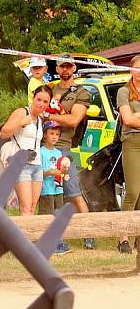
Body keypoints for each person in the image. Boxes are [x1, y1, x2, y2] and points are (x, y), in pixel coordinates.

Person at [51, 54, 95, 249]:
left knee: (74, 192)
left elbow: (74, 120)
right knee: (50, 195)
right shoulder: (50, 89)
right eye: (62, 66)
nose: (65, 70)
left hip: (64, 148)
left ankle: (89, 233)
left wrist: (50, 116)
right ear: (58, 69)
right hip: (44, 147)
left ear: (74, 68)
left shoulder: (81, 92)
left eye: (69, 66)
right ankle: (55, 237)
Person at [0, 84, 52, 216]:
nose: (41, 104)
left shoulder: (40, 119)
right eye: (39, 99)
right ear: (33, 98)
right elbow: (3, 133)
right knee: (26, 207)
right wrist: (21, 122)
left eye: (45, 101)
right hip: (21, 164)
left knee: (33, 207)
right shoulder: (22, 112)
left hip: (37, 165)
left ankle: (28, 236)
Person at [115, 54, 140, 254]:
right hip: (131, 141)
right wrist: (134, 117)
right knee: (133, 190)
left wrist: (136, 115)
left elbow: (134, 117)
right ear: (131, 70)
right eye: (137, 68)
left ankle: (138, 238)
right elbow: (128, 120)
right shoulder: (124, 91)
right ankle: (123, 237)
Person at [39, 120, 71, 255]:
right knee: (47, 216)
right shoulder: (41, 152)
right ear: (44, 135)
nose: (54, 137)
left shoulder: (59, 153)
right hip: (46, 190)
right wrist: (50, 172)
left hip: (58, 189)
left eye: (57, 134)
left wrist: (64, 171)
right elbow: (39, 172)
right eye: (51, 133)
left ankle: (58, 241)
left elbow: (62, 170)